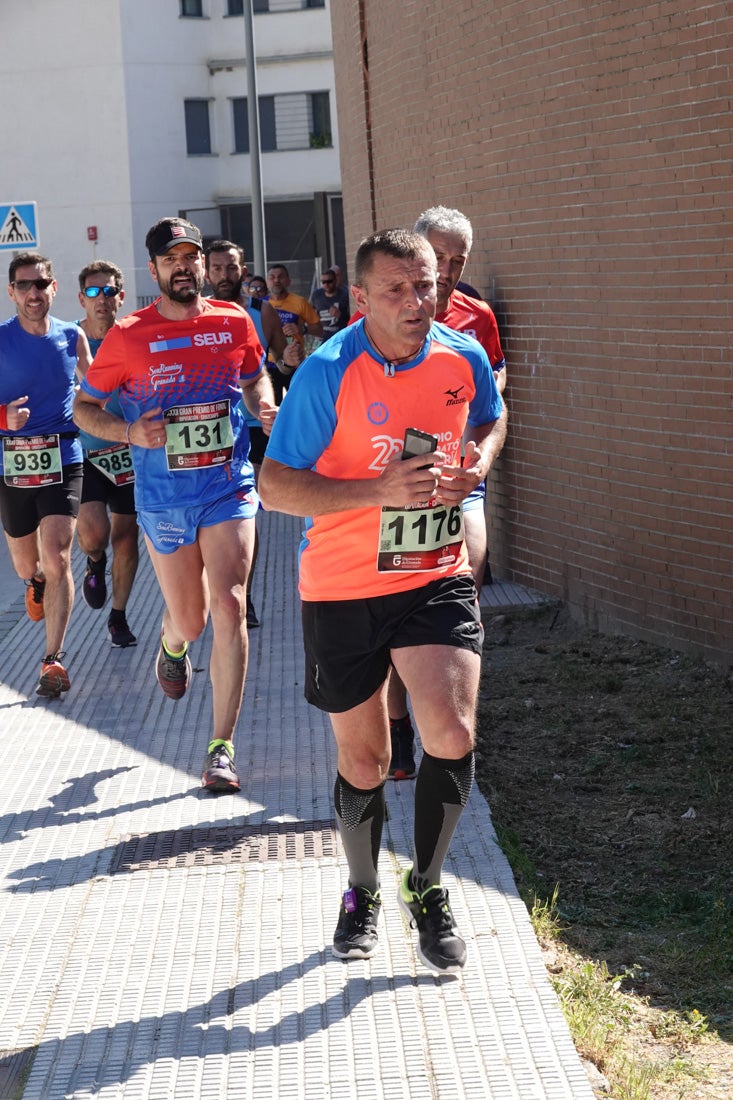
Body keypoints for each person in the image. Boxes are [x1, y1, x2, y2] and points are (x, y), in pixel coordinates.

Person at [259, 228, 507, 974]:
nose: (416, 301)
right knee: (364, 759)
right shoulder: (326, 374)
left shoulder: (460, 355)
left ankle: (427, 885)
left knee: (453, 732)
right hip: (340, 587)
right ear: (359, 298)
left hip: (431, 574)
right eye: (396, 289)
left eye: (425, 284)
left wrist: (476, 468)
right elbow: (274, 487)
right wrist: (374, 490)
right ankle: (362, 888)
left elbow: (490, 418)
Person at [74, 217, 276, 794]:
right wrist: (129, 431)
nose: (183, 266)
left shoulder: (232, 320)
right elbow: (84, 409)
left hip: (228, 485)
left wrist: (264, 407)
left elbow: (255, 375)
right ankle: (173, 640)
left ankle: (220, 749)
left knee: (231, 604)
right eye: (171, 259)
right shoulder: (129, 335)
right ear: (154, 270)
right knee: (192, 617)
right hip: (163, 496)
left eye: (190, 256)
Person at [352, 207, 508, 780]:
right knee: (397, 600)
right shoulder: (380, 307)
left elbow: (494, 391)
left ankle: (452, 706)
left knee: (463, 581)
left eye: (456, 261)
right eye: (435, 258)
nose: (444, 272)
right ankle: (398, 728)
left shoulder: (477, 319)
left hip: (458, 479)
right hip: (394, 482)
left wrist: (477, 452)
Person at [0, 252, 92, 697]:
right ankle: (33, 583)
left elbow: (97, 392)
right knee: (27, 562)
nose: (33, 293)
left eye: (41, 284)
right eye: (24, 286)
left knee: (57, 555)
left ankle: (52, 659)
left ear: (53, 288)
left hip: (63, 455)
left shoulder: (72, 337)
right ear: (11, 291)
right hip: (13, 462)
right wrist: (4, 416)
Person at [204, 239, 301, 626]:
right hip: (210, 428)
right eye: (216, 268)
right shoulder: (197, 315)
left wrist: (291, 364)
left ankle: (242, 595)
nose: (224, 276)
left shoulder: (264, 314)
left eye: (231, 268)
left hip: (254, 425)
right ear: (205, 272)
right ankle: (212, 590)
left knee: (248, 512)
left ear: (243, 271)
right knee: (208, 514)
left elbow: (281, 367)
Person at [75, 260, 139, 648]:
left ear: (121, 296)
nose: (103, 299)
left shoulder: (133, 337)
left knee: (127, 540)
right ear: (82, 298)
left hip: (129, 450)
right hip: (85, 453)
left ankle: (119, 616)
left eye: (110, 291)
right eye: (94, 292)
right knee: (96, 535)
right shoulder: (70, 340)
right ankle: (94, 563)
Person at [265, 263, 323, 403]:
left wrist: (302, 329)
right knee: (273, 407)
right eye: (272, 277)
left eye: (280, 277)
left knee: (298, 404)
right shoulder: (262, 304)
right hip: (270, 365)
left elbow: (319, 329)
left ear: (288, 281)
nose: (276, 280)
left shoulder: (300, 302)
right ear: (267, 282)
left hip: (295, 361)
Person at [310, 267, 350, 340]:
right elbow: (312, 314)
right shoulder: (317, 295)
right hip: (322, 336)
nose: (326, 284)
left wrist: (340, 315)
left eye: (329, 281)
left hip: (340, 335)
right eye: (323, 282)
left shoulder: (344, 295)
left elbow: (351, 317)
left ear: (335, 281)